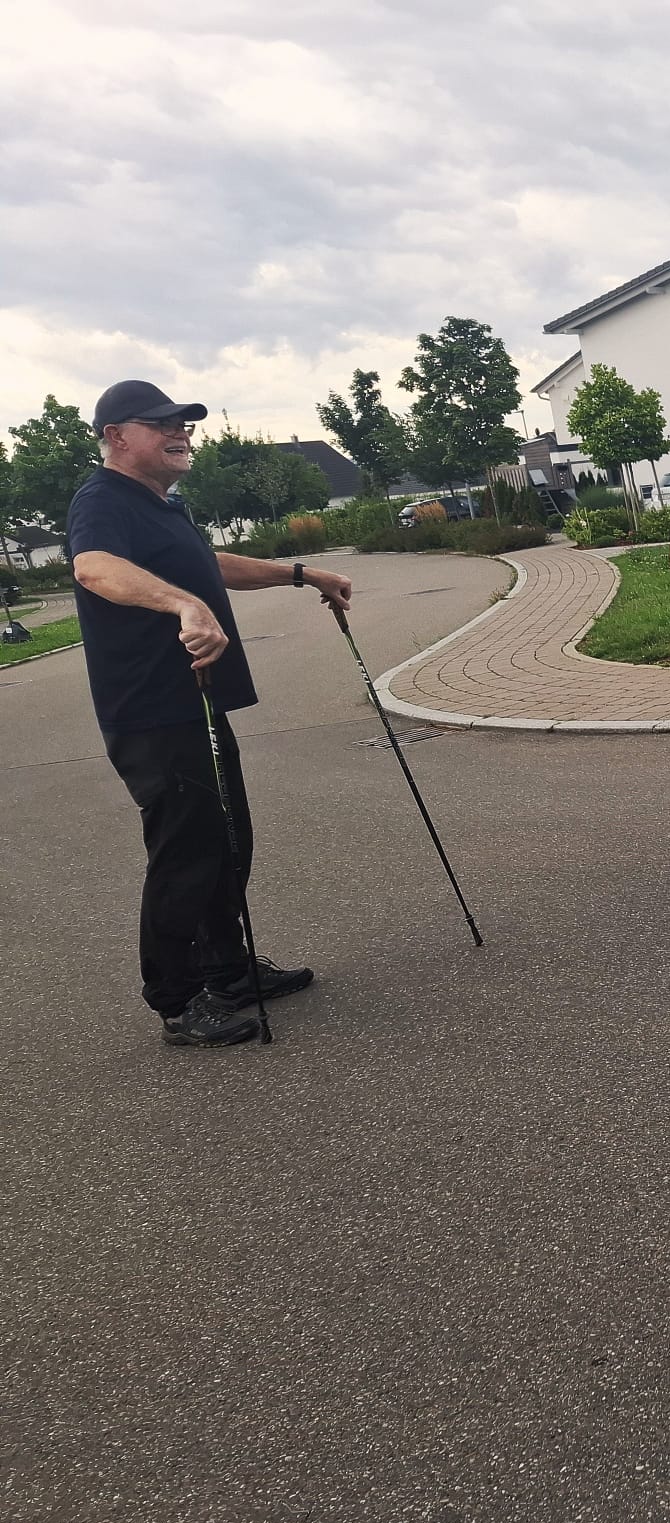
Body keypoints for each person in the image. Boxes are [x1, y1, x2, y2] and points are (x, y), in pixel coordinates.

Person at [67, 380, 354, 1047]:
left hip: (194, 704)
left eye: (186, 424)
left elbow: (210, 564)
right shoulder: (102, 500)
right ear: (116, 436)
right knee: (186, 853)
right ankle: (178, 1000)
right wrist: (183, 605)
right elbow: (94, 567)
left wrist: (302, 573)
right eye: (163, 424)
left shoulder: (163, 505)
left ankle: (227, 970)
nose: (181, 433)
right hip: (152, 713)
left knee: (225, 841)